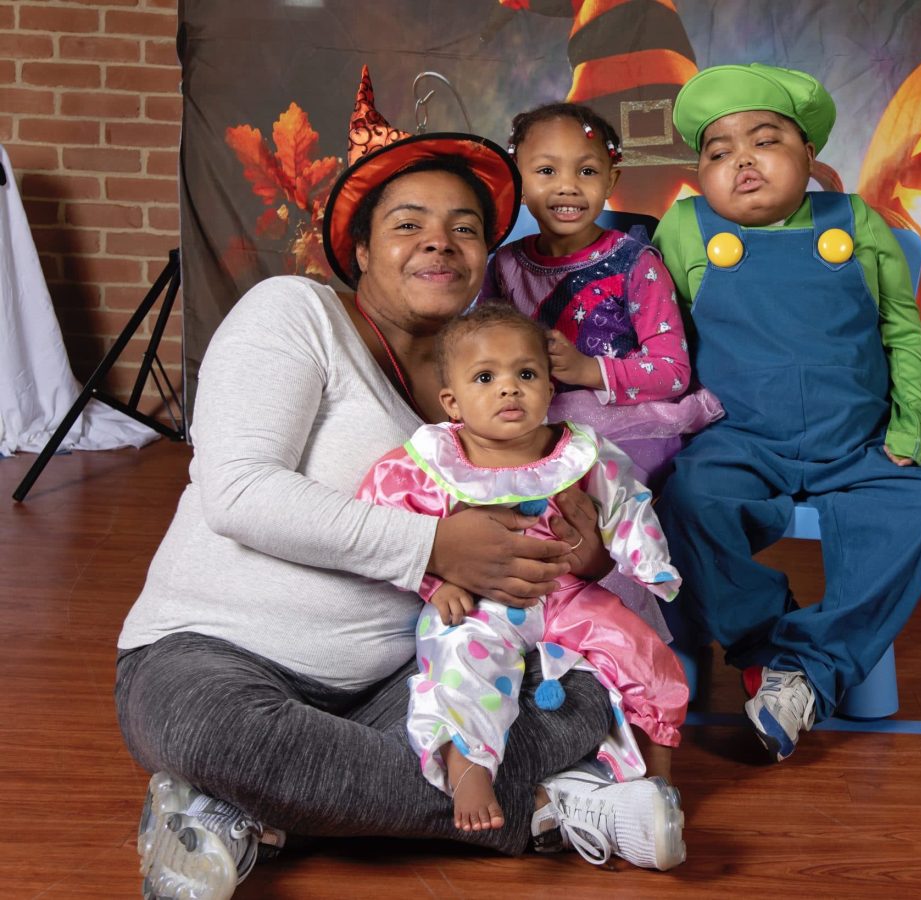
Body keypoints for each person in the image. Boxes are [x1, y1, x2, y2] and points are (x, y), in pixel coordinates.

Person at [114, 70, 686, 900]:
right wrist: (435, 543)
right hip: (218, 654)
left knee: (592, 684)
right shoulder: (295, 313)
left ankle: (234, 813)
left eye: (464, 228)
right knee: (215, 731)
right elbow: (237, 490)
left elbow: (556, 534)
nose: (439, 242)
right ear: (360, 249)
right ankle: (552, 809)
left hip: (406, 679)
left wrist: (584, 555)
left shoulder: (492, 378)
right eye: (407, 224)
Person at [653, 63, 921, 763]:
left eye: (763, 141)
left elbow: (901, 332)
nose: (741, 162)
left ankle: (803, 669)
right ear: (699, 176)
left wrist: (907, 429)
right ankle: (774, 644)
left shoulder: (855, 222)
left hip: (852, 445)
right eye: (718, 152)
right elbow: (658, 338)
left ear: (808, 157)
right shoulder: (683, 230)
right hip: (736, 439)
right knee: (684, 505)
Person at [355, 302, 688, 840]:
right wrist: (432, 582)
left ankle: (657, 778)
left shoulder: (578, 452)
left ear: (549, 388)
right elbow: (386, 522)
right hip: (480, 597)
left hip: (566, 591)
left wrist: (649, 563)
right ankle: (469, 769)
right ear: (452, 401)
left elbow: (626, 501)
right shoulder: (433, 459)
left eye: (526, 374)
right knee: (458, 651)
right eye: (485, 377)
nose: (509, 389)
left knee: (642, 650)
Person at [482, 102, 722, 491]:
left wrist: (587, 371)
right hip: (536, 423)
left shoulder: (635, 264)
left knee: (602, 496)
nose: (568, 186)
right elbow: (481, 348)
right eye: (546, 171)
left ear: (611, 181)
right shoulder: (505, 266)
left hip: (625, 426)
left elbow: (674, 373)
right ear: (517, 183)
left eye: (588, 171)